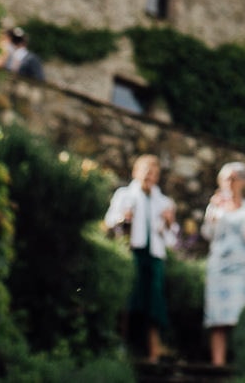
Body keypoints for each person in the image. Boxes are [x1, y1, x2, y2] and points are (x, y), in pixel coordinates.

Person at [105, 154, 177, 363]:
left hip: (154, 256)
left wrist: (169, 223)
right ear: (136, 172)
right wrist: (123, 218)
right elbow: (109, 221)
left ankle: (153, 351)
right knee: (128, 298)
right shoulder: (124, 195)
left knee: (153, 301)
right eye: (146, 171)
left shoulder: (163, 202)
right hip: (131, 252)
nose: (149, 176)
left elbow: (172, 240)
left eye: (154, 173)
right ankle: (121, 348)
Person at [201, 162, 245, 366]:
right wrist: (213, 216)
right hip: (219, 264)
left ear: (243, 182)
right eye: (224, 179)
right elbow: (207, 234)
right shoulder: (215, 206)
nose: (228, 183)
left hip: (244, 265)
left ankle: (241, 363)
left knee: (241, 315)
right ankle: (218, 364)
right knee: (218, 317)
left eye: (233, 178)